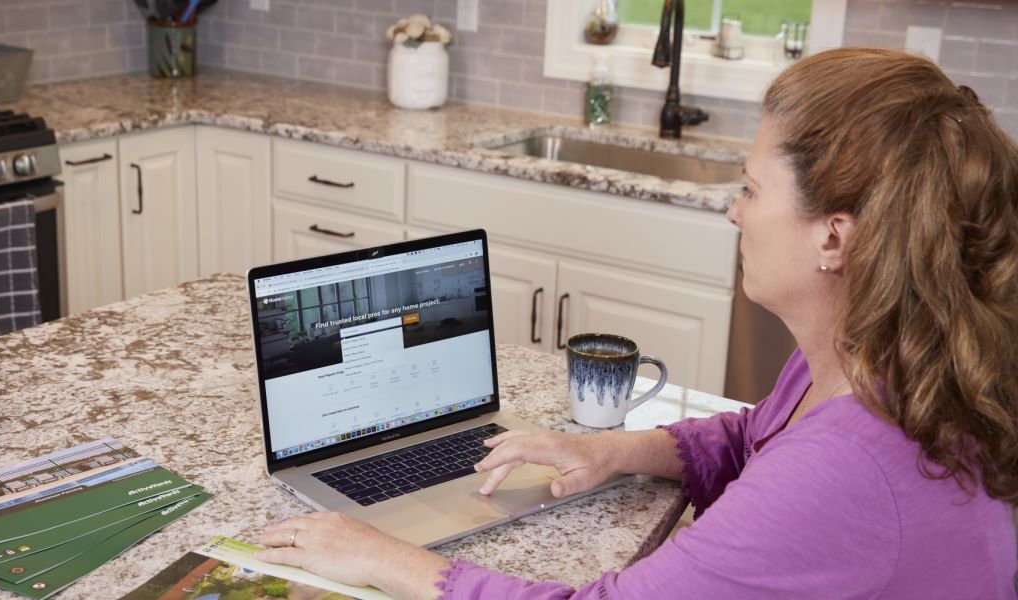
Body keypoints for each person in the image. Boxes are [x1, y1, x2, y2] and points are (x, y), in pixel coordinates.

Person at [255, 47, 1018, 598]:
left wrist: (383, 556)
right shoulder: (878, 352)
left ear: (834, 238)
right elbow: (757, 438)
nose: (733, 211)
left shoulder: (845, 469)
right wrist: (611, 450)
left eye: (750, 189)